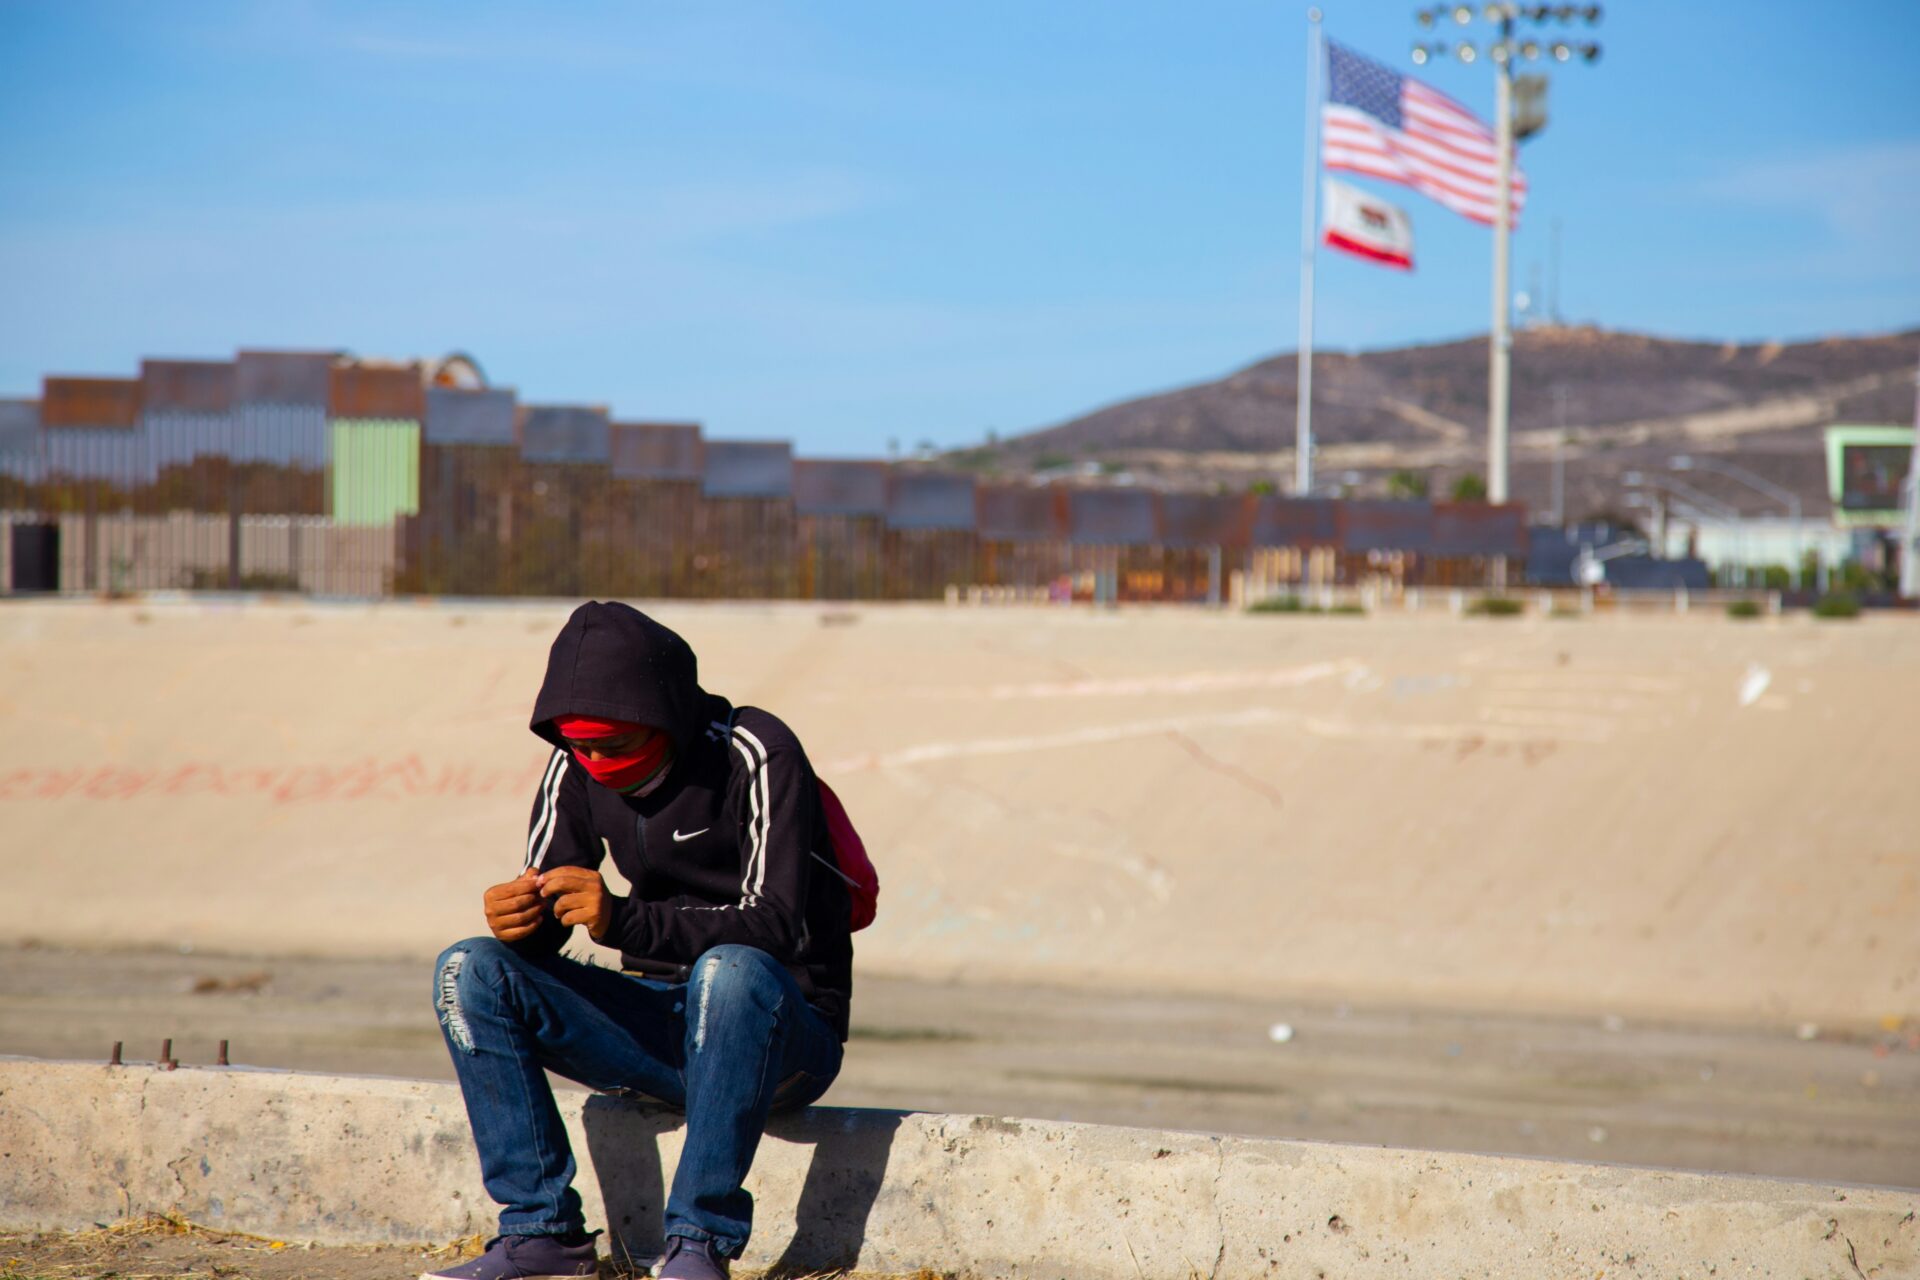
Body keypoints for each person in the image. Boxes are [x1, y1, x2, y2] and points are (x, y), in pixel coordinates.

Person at [425, 601, 853, 1280]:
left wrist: (621, 920)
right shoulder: (576, 765)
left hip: (781, 1033)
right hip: (661, 1027)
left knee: (731, 972)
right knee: (468, 971)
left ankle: (698, 1242)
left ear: (666, 719)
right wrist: (521, 922)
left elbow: (777, 924)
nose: (597, 762)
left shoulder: (756, 751)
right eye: (582, 746)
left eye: (615, 746)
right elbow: (548, 925)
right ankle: (542, 1234)